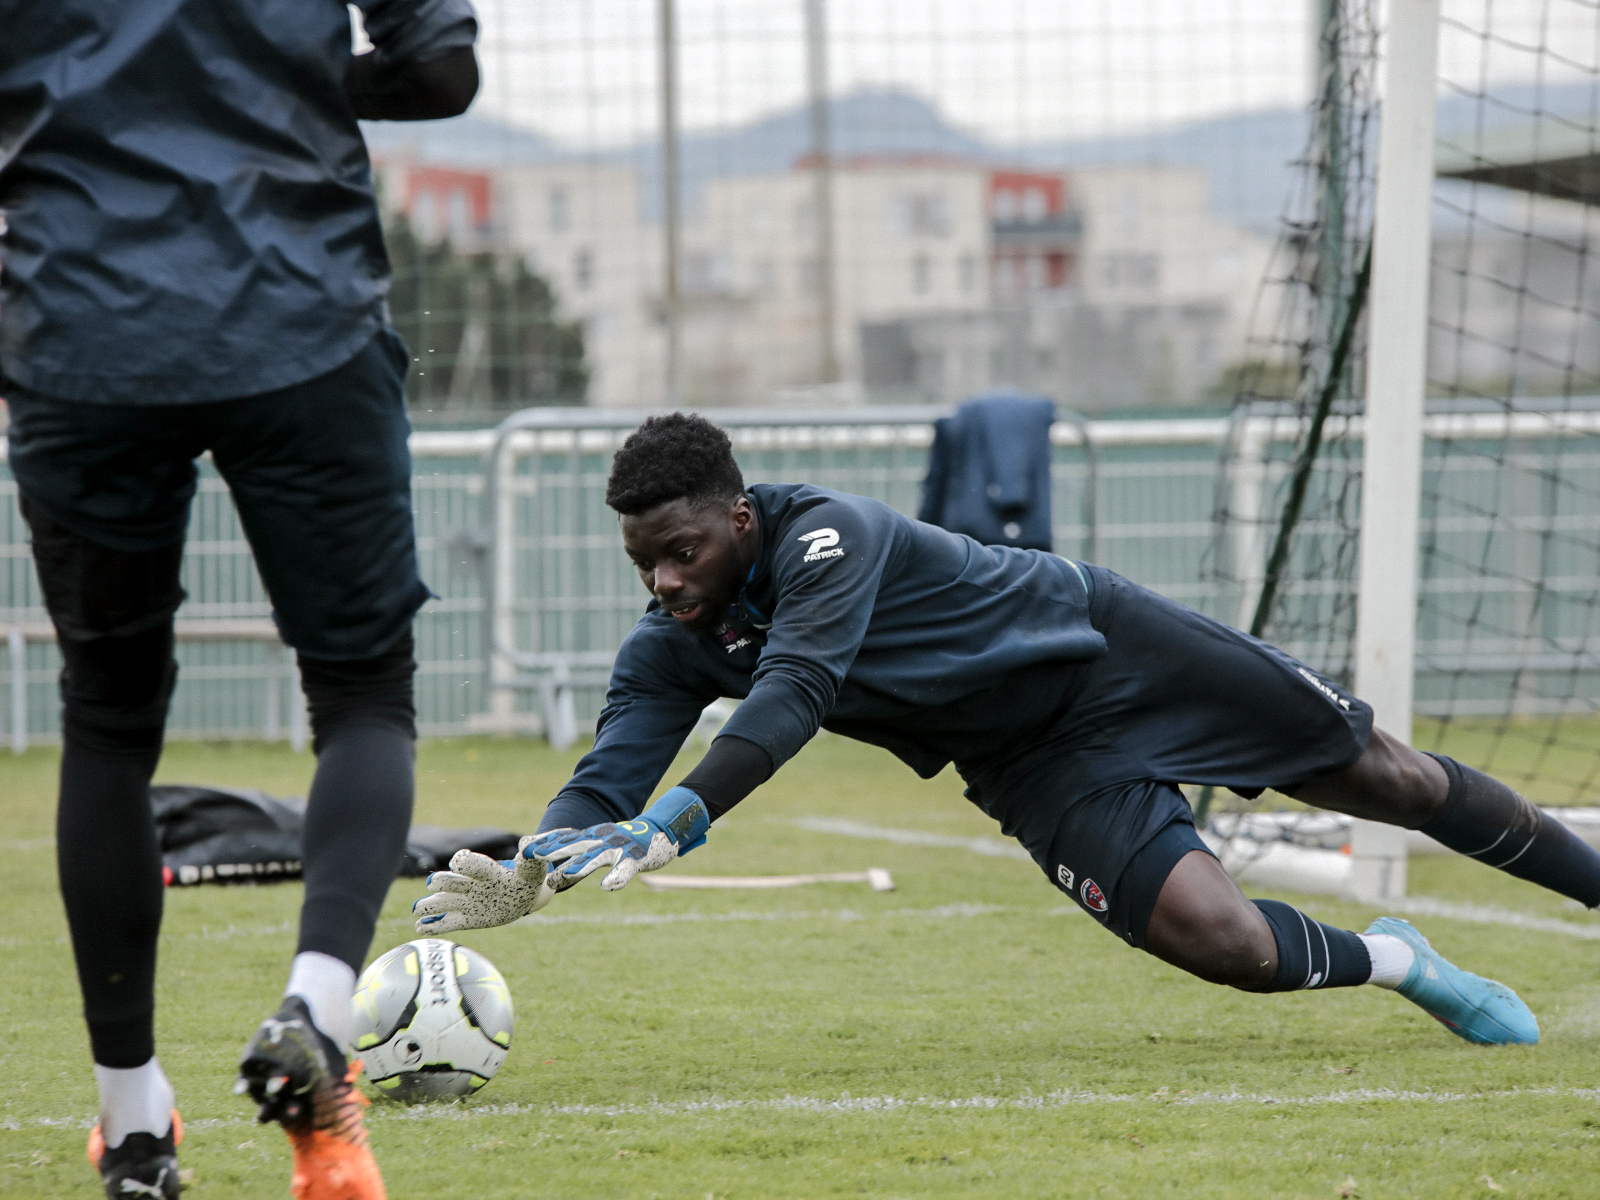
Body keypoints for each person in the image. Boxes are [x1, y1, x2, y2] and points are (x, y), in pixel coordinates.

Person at [418, 413, 1600, 1050]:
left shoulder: (827, 533)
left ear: (739, 516)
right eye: (646, 564)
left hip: (1113, 649)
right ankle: (1405, 961)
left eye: (684, 552)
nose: (668, 582)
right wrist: (538, 860)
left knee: (1391, 780)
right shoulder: (669, 641)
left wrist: (680, 819)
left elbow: (797, 691)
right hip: (1029, 762)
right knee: (1221, 943)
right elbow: (608, 774)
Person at [0, 2, 478, 1196]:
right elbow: (441, 71)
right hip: (301, 316)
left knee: (108, 722)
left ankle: (135, 1128)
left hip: (81, 330)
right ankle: (314, 1010)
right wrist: (270, 82)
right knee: (363, 693)